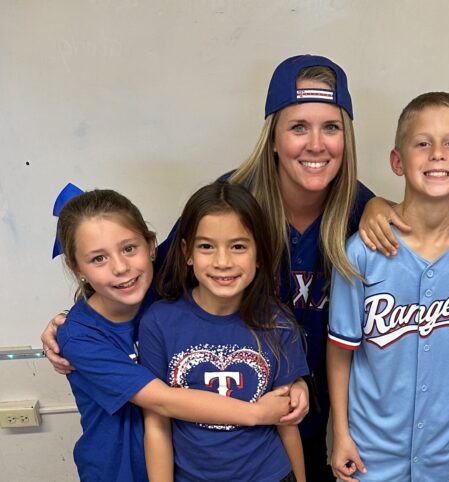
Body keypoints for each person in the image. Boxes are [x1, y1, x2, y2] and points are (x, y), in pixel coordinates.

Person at [41, 54, 384, 479]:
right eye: (298, 126)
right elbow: (148, 276)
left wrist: (383, 206)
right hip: (215, 435)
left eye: (331, 127)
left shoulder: (364, 211)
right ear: (273, 136)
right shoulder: (229, 204)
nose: (316, 144)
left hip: (306, 417)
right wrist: (75, 320)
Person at [54, 188, 295, 482]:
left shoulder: (161, 301)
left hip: (184, 470)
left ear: (152, 246)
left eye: (129, 248)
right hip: (118, 471)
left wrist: (299, 385)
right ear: (76, 267)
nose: (120, 268)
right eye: (98, 259)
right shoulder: (79, 337)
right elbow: (164, 401)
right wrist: (258, 414)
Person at [327, 92, 449, 482]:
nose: (437, 153)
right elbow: (340, 351)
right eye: (422, 143)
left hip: (440, 452)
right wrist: (340, 435)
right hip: (368, 450)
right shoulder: (363, 251)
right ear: (397, 161)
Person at [140, 181, 309, 482]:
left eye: (238, 246)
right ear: (186, 252)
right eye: (206, 246)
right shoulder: (159, 322)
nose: (222, 262)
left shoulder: (278, 322)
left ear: (258, 254)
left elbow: (287, 422)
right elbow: (156, 424)